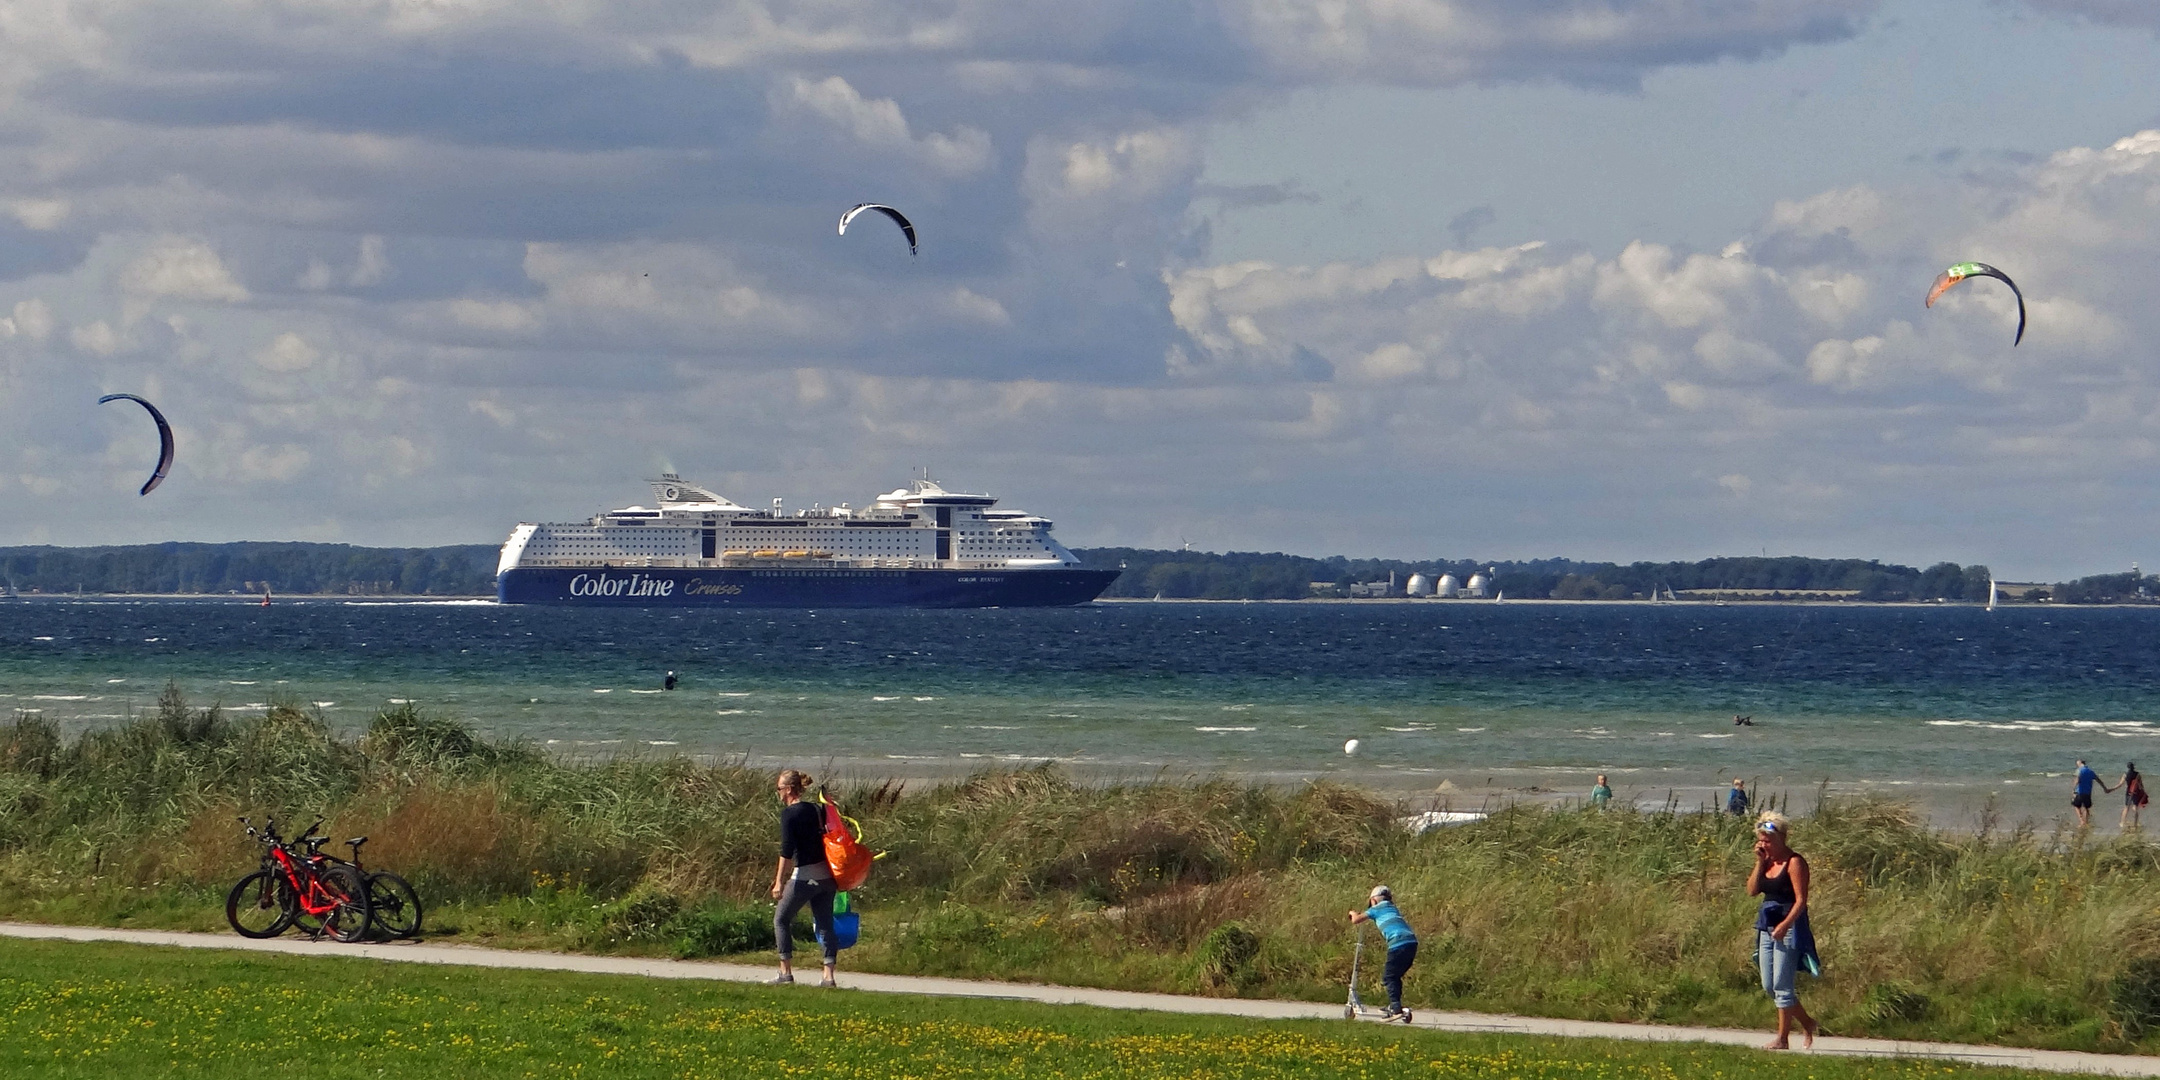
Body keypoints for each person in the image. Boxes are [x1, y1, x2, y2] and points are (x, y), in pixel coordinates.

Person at [1747, 812, 1821, 1050]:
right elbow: (1752, 891)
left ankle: (1782, 1039)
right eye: (1761, 840)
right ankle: (1808, 1022)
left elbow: (1801, 900)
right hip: (1766, 926)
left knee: (1783, 985)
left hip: (1789, 927)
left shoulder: (1795, 862)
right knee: (1769, 986)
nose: (1763, 844)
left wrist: (1785, 925)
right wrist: (1760, 862)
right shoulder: (1766, 862)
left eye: (1767, 840)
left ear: (1781, 838)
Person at [770, 769, 837, 987]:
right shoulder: (816, 809)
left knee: (781, 919)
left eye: (779, 789)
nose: (778, 793)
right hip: (827, 875)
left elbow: (786, 851)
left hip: (805, 875)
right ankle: (828, 976)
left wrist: (779, 881)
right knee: (825, 923)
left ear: (789, 790)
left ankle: (785, 973)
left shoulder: (789, 814)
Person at [1347, 885, 1418, 1020]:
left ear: (1374, 900)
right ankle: (1394, 1004)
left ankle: (1396, 1009)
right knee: (1395, 976)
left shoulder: (1376, 908)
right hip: (1411, 943)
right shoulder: (1392, 908)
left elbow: (1356, 920)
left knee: (1389, 977)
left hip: (1398, 944)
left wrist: (1352, 913)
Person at [2073, 759, 2108, 828]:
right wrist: (2104, 788)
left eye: (2078, 764)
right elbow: (2099, 780)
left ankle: (2081, 820)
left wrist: (2073, 789)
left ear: (2080, 764)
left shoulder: (2079, 770)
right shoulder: (2090, 771)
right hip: (2088, 793)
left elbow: (2077, 780)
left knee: (2076, 806)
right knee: (2086, 808)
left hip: (2080, 791)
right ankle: (2086, 823)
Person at [2123, 763, 2149, 829]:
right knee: (2135, 808)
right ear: (2133, 767)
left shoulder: (2125, 774)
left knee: (2126, 808)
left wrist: (2111, 789)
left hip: (2128, 793)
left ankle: (2122, 822)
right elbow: (2141, 784)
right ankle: (2135, 824)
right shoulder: (2137, 774)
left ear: (2128, 767)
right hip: (2135, 792)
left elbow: (2120, 784)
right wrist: (2143, 792)